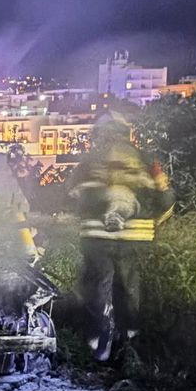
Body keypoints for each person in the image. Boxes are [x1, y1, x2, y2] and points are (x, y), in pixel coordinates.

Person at [69, 117, 174, 362]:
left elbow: (73, 196)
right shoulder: (147, 160)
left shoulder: (89, 162)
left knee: (98, 285)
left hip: (97, 235)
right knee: (129, 288)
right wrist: (154, 223)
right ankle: (129, 344)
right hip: (136, 235)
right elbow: (165, 196)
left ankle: (98, 343)